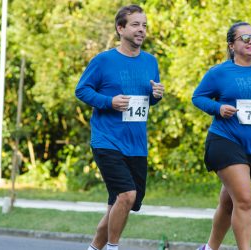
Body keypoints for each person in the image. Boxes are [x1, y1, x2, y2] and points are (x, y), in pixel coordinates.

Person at [75, 4, 164, 250]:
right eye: (135, 24)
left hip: (136, 143)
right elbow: (81, 90)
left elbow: (149, 100)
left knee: (121, 205)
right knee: (126, 196)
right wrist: (108, 102)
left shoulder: (150, 61)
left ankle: (94, 248)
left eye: (144, 25)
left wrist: (156, 95)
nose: (141, 30)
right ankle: (113, 247)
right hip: (107, 140)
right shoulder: (103, 61)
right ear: (120, 28)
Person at [192, 22, 251, 250]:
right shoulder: (219, 73)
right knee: (244, 200)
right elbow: (198, 97)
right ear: (232, 45)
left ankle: (209, 248)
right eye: (245, 38)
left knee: (229, 202)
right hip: (224, 140)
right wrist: (218, 108)